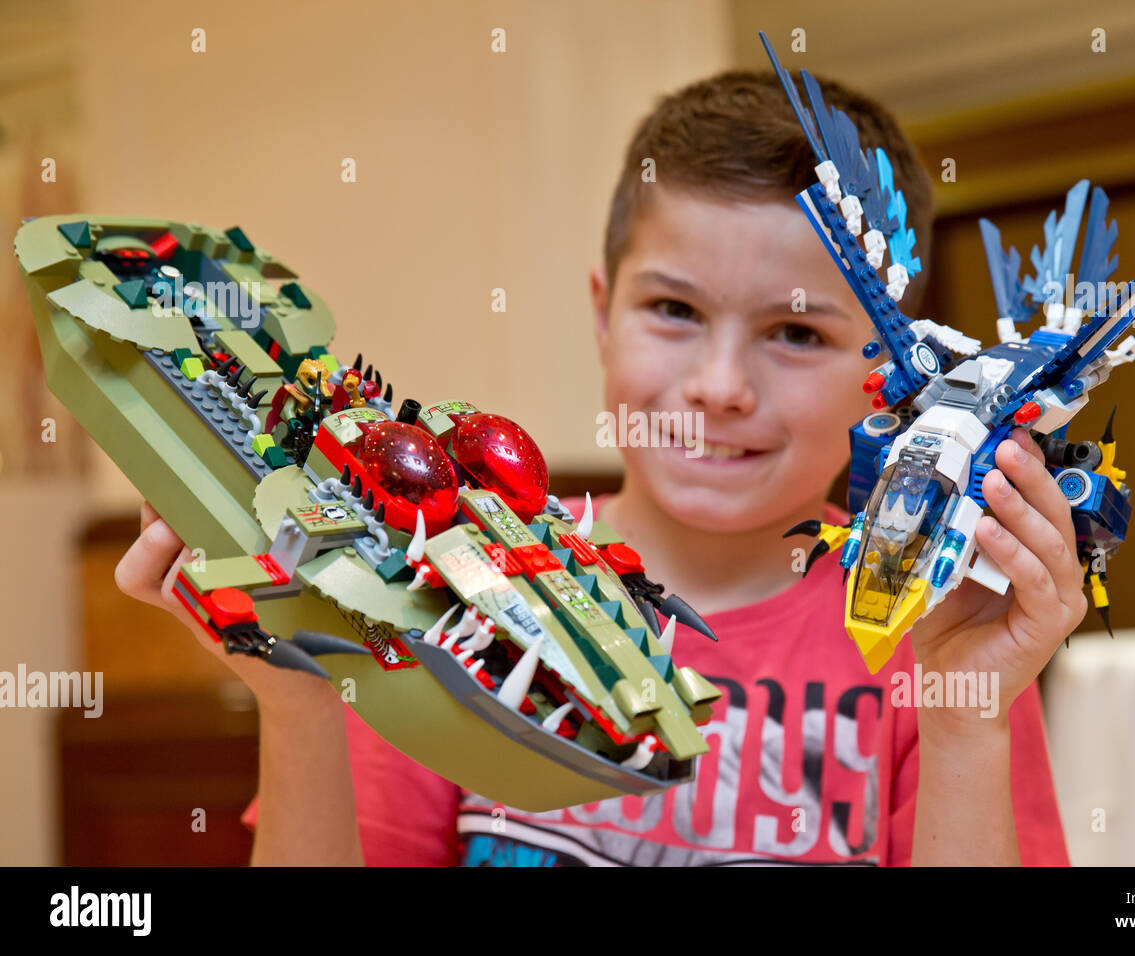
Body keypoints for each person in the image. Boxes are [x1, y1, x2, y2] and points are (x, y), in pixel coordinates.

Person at [116, 68, 1083, 866]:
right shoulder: (442, 574)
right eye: (674, 311)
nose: (718, 386)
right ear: (601, 313)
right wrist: (298, 699)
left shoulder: (939, 641)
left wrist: (964, 723)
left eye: (794, 331)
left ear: (889, 373)